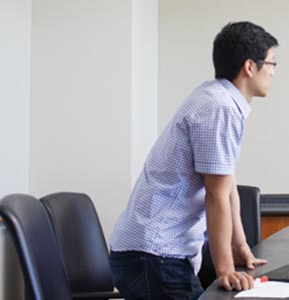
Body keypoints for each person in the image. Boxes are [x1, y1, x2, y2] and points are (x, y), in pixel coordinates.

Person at [107, 21, 278, 299]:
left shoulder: (220, 100)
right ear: (250, 66)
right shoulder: (219, 107)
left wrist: (241, 244)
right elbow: (216, 195)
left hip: (151, 254)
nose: (272, 72)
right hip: (153, 256)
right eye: (271, 63)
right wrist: (225, 270)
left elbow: (228, 185)